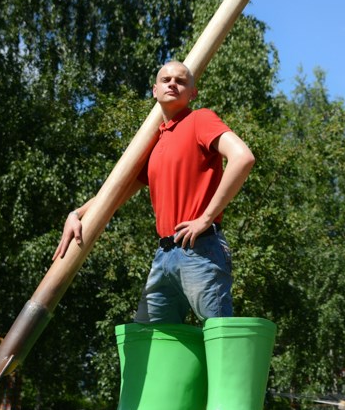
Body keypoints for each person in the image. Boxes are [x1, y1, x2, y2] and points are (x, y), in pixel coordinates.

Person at [54, 60, 255, 323]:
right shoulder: (155, 142)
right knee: (150, 341)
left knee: (219, 339)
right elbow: (117, 193)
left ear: (192, 93)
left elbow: (242, 158)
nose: (173, 83)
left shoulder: (199, 119)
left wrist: (205, 218)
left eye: (181, 81)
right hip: (164, 255)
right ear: (154, 90)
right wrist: (77, 213)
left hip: (201, 247)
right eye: (166, 80)